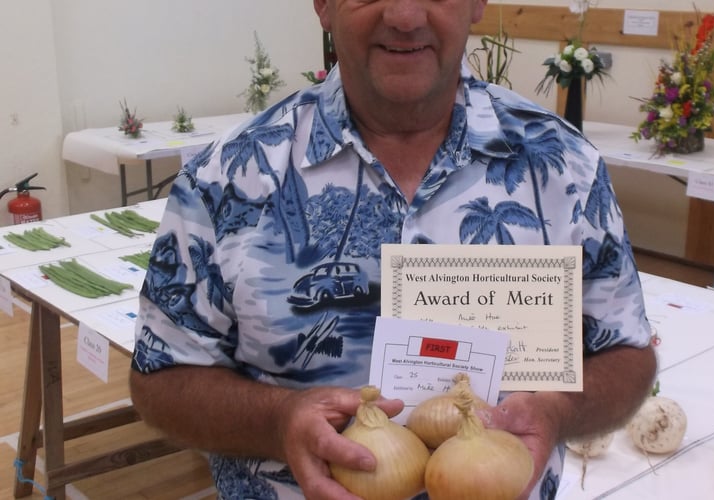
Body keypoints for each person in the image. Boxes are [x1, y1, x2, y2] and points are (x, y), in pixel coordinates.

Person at [129, 0, 657, 498]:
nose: (404, 16)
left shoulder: (564, 168)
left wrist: (558, 413)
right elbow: (162, 378)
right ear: (323, 4)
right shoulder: (229, 178)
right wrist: (278, 421)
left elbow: (626, 353)